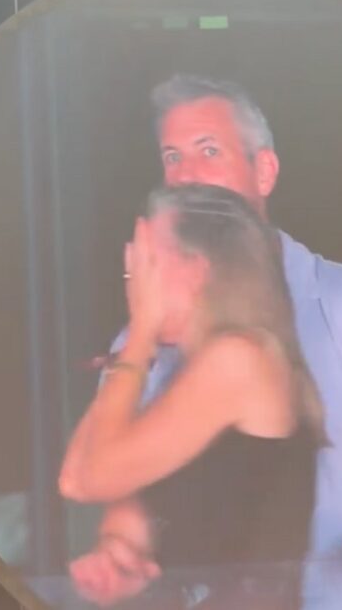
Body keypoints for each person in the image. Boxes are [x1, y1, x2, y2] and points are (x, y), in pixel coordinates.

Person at [68, 74, 342, 605]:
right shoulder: (146, 345)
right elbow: (129, 503)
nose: (187, 175)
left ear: (265, 170)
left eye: (209, 150)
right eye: (172, 157)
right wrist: (119, 554)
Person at [59, 183, 323, 606]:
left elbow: (94, 478)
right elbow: (75, 480)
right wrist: (121, 559)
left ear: (196, 270)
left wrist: (141, 330)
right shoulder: (193, 369)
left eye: (148, 262)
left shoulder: (242, 358)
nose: (134, 278)